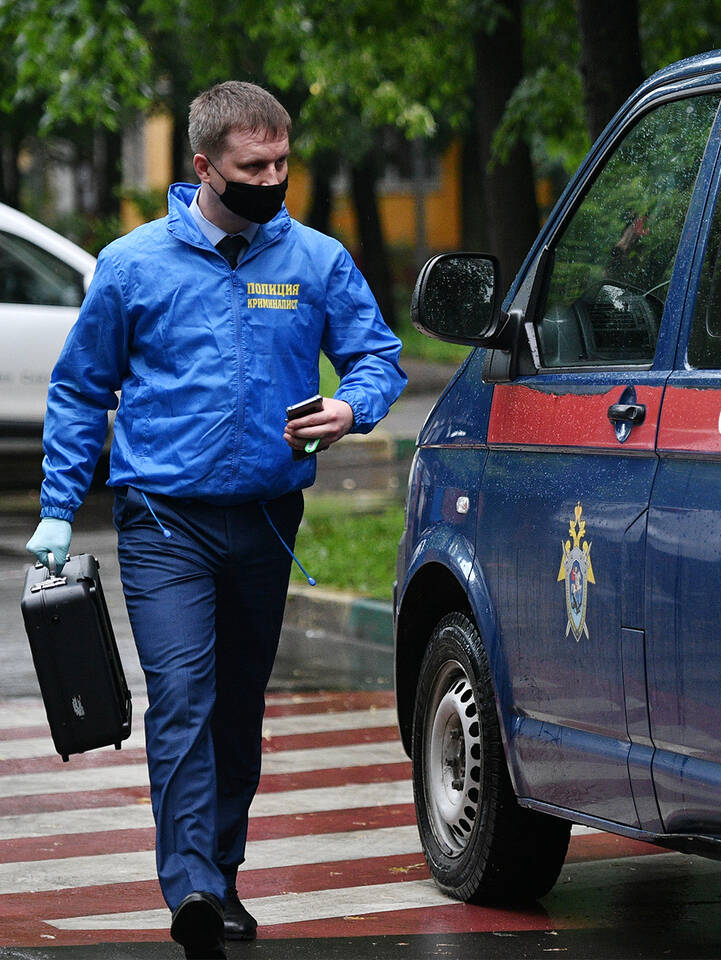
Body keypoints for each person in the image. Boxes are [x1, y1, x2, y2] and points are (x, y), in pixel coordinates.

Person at [24, 81, 406, 959]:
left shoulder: (314, 260)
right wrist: (55, 510)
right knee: (185, 697)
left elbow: (377, 356)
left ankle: (222, 877)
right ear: (204, 167)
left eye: (282, 162)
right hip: (163, 522)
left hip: (267, 522)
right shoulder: (132, 265)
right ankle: (191, 883)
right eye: (253, 166)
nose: (274, 179)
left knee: (235, 708)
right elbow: (82, 389)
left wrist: (353, 407)